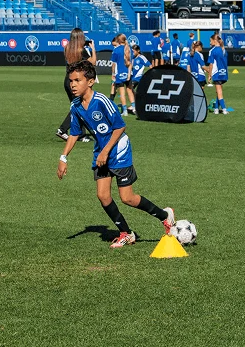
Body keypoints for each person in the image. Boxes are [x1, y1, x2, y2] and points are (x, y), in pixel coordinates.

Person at [55, 59, 176, 249]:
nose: (73, 85)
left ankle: (165, 216)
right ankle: (126, 233)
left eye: (77, 80)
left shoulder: (102, 101)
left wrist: (105, 151)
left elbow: (120, 127)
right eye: (71, 81)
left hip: (118, 149)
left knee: (127, 198)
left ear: (91, 81)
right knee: (103, 196)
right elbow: (75, 133)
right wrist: (63, 157)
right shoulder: (75, 106)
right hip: (101, 152)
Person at [57, 28, 95, 141]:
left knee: (78, 106)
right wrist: (93, 49)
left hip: (68, 80)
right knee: (79, 107)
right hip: (77, 81)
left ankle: (81, 135)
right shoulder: (80, 50)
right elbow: (93, 62)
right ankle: (62, 129)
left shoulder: (67, 48)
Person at [108, 33, 133, 114]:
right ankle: (134, 107)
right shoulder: (129, 49)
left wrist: (113, 74)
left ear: (118, 40)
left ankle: (125, 110)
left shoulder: (116, 50)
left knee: (122, 93)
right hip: (128, 73)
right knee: (130, 90)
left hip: (119, 74)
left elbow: (114, 64)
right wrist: (129, 74)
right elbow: (131, 63)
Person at [207, 31, 230, 114]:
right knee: (218, 91)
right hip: (224, 73)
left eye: (210, 41)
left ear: (214, 41)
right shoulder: (223, 49)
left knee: (219, 92)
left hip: (216, 73)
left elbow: (211, 64)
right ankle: (216, 109)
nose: (210, 43)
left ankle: (224, 109)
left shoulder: (212, 51)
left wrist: (209, 75)